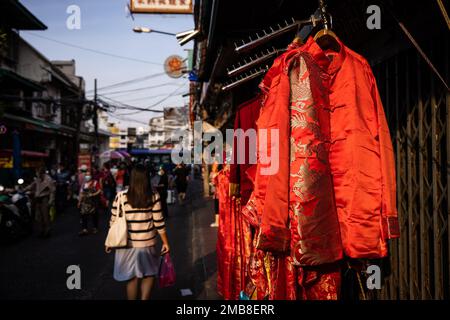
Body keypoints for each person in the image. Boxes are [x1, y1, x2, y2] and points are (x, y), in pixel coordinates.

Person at [106, 164, 170, 300]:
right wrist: (165, 242)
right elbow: (159, 222)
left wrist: (109, 242)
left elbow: (113, 220)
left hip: (126, 243)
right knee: (149, 274)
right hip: (147, 243)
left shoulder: (121, 196)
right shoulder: (153, 196)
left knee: (131, 277)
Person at [25, 167, 56, 238]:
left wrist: (51, 201)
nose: (36, 174)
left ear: (42, 173)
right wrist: (23, 189)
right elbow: (32, 185)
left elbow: (52, 191)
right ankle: (42, 230)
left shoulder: (48, 179)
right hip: (37, 199)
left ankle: (47, 231)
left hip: (44, 198)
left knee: (45, 216)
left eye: (37, 172)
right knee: (38, 216)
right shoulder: (37, 179)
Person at [77, 171, 101, 236]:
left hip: (93, 202)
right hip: (85, 202)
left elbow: (99, 190)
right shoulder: (84, 184)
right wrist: (79, 201)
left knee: (94, 215)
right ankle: (85, 229)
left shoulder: (95, 183)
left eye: (89, 175)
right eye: (86, 175)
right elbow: (81, 193)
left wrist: (93, 194)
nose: (87, 176)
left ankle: (95, 228)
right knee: (84, 215)